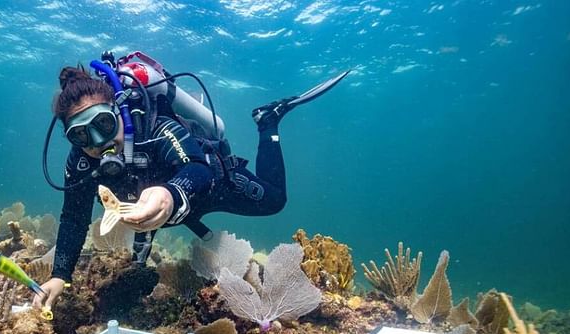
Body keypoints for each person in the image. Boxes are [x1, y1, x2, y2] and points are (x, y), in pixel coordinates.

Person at [33, 61, 348, 310]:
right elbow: (73, 219)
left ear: (118, 111)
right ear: (70, 138)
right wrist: (60, 275)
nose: (99, 143)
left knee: (274, 200)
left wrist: (170, 194)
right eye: (82, 135)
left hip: (204, 191)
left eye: (103, 124)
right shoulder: (80, 163)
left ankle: (268, 122)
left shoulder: (155, 128)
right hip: (150, 210)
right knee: (135, 271)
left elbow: (195, 167)